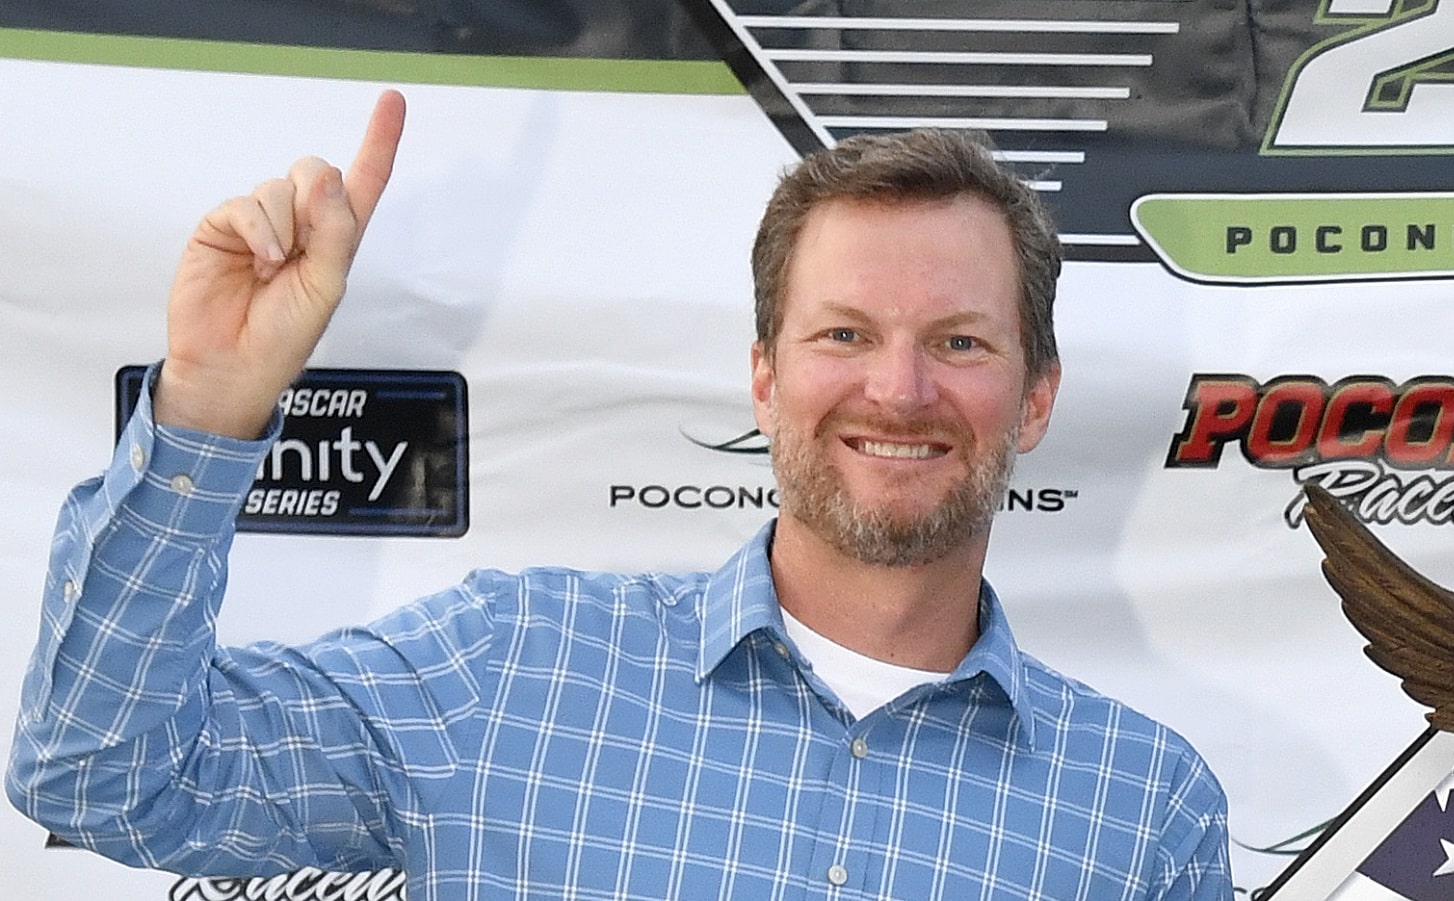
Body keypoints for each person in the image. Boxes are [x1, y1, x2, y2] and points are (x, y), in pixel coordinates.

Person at [7, 90, 1231, 898]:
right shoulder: (505, 667)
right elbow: (103, 776)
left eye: (960, 343)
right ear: (763, 377)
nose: (898, 390)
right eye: (844, 333)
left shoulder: (1141, 810)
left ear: (1035, 397)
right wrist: (207, 406)